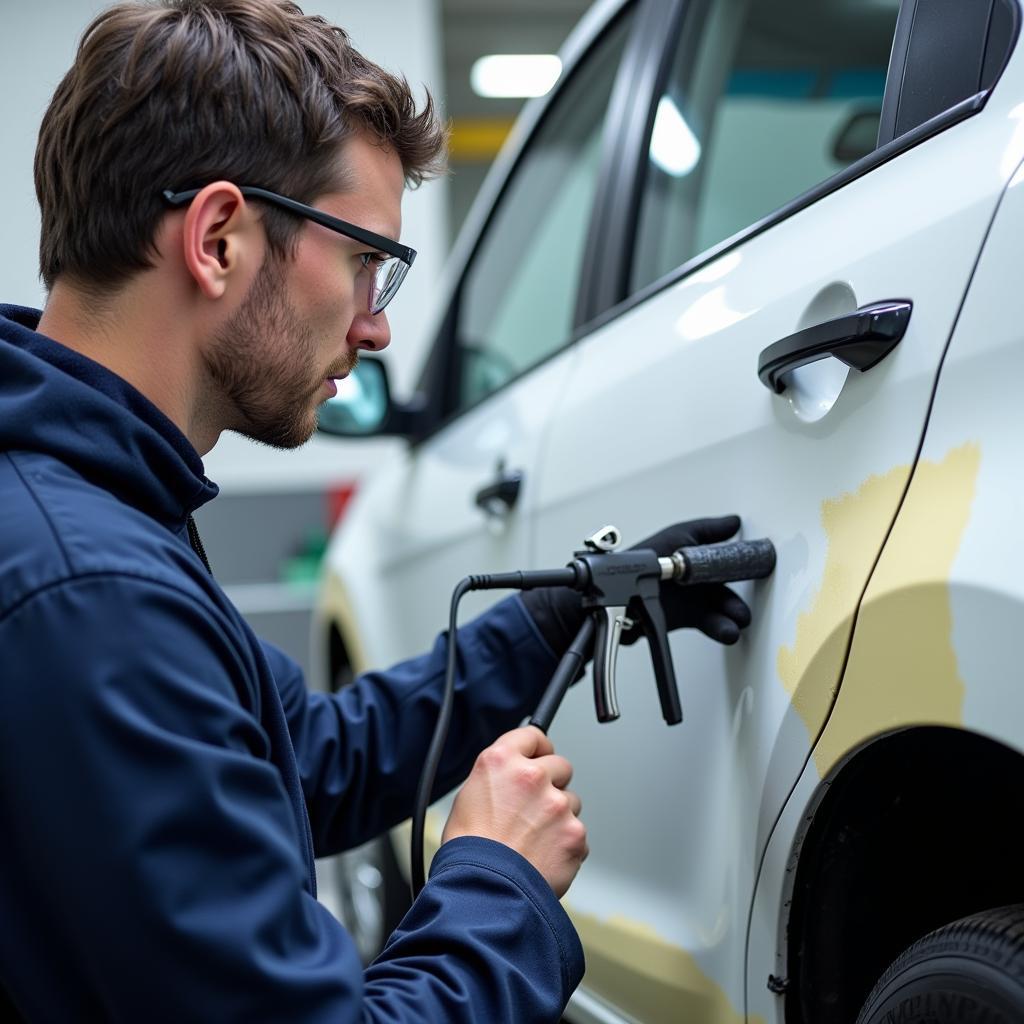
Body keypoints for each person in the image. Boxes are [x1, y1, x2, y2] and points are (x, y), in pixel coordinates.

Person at [0, 2, 753, 1020]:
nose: (378, 326)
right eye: (364, 259)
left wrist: (550, 618)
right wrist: (495, 879)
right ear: (219, 238)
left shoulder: (82, 511)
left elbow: (302, 759)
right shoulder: (90, 595)